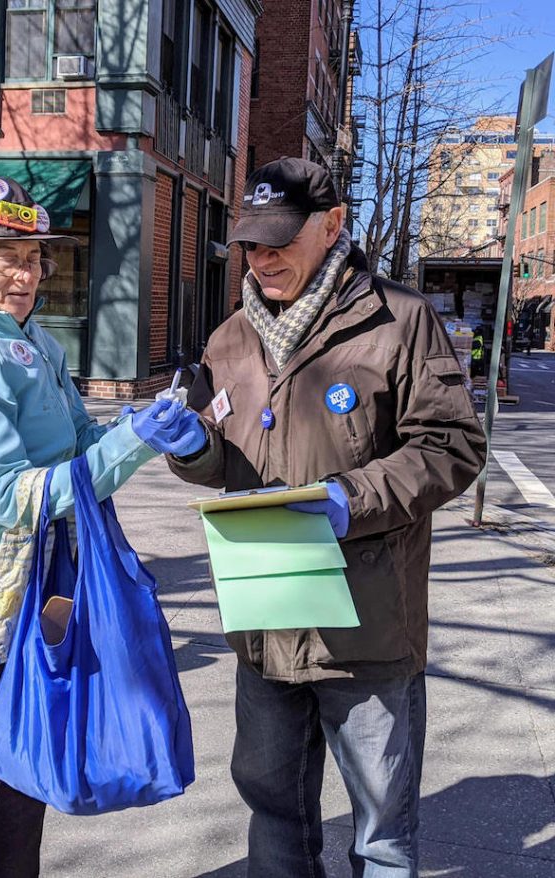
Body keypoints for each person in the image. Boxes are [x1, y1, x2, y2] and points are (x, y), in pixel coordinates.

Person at [167, 158, 487, 877]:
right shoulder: (230, 340)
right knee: (275, 818)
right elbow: (226, 463)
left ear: (334, 224)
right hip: (266, 620)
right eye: (251, 242)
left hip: (365, 628)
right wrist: (192, 450)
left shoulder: (399, 320)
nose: (262, 257)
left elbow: (453, 445)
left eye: (280, 239)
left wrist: (351, 498)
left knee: (381, 837)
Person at [0, 176, 204, 877]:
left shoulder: (33, 340)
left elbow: (75, 443)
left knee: (28, 766)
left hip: (40, 576)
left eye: (35, 257)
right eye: (6, 257)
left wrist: (132, 428)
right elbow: (9, 496)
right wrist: (128, 445)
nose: (26, 272)